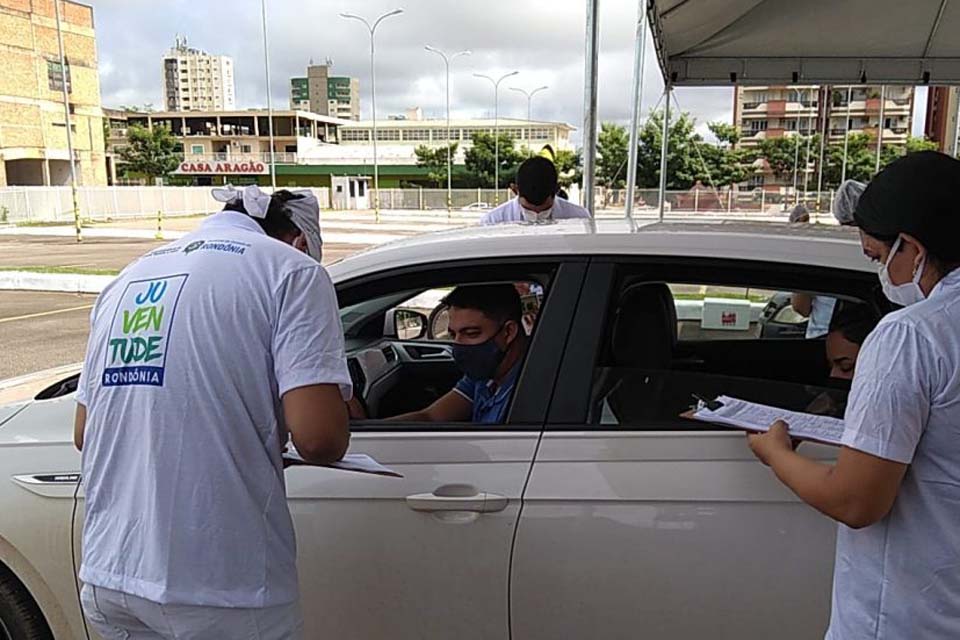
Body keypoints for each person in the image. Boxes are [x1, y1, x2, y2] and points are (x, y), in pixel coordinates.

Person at [74, 184, 352, 639]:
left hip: (111, 575)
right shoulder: (293, 272)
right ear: (300, 241)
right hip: (222, 587)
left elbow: (85, 430)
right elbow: (320, 439)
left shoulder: (129, 277)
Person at [747, 151, 960, 639]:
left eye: (879, 257)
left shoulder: (912, 336)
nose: (882, 274)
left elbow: (856, 500)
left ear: (911, 246)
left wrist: (776, 453)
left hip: (907, 618)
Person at [389, 284, 527, 424]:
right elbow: (431, 417)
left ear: (508, 332)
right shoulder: (485, 376)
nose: (458, 345)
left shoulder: (528, 393)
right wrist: (369, 428)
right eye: (453, 334)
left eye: (471, 334)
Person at [480, 156, 590, 224]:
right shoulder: (493, 222)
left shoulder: (580, 219)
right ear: (515, 190)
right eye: (528, 209)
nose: (537, 214)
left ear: (557, 190)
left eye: (544, 209)